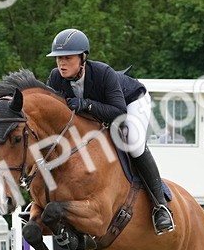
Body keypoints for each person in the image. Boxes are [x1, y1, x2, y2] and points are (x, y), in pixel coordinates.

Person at [45, 28, 174, 235]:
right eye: (58, 58)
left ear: (82, 58)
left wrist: (86, 104)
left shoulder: (102, 72)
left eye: (67, 58)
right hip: (99, 113)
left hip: (131, 102)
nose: (61, 64)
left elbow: (118, 111)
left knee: (133, 141)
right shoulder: (55, 78)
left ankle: (160, 206)